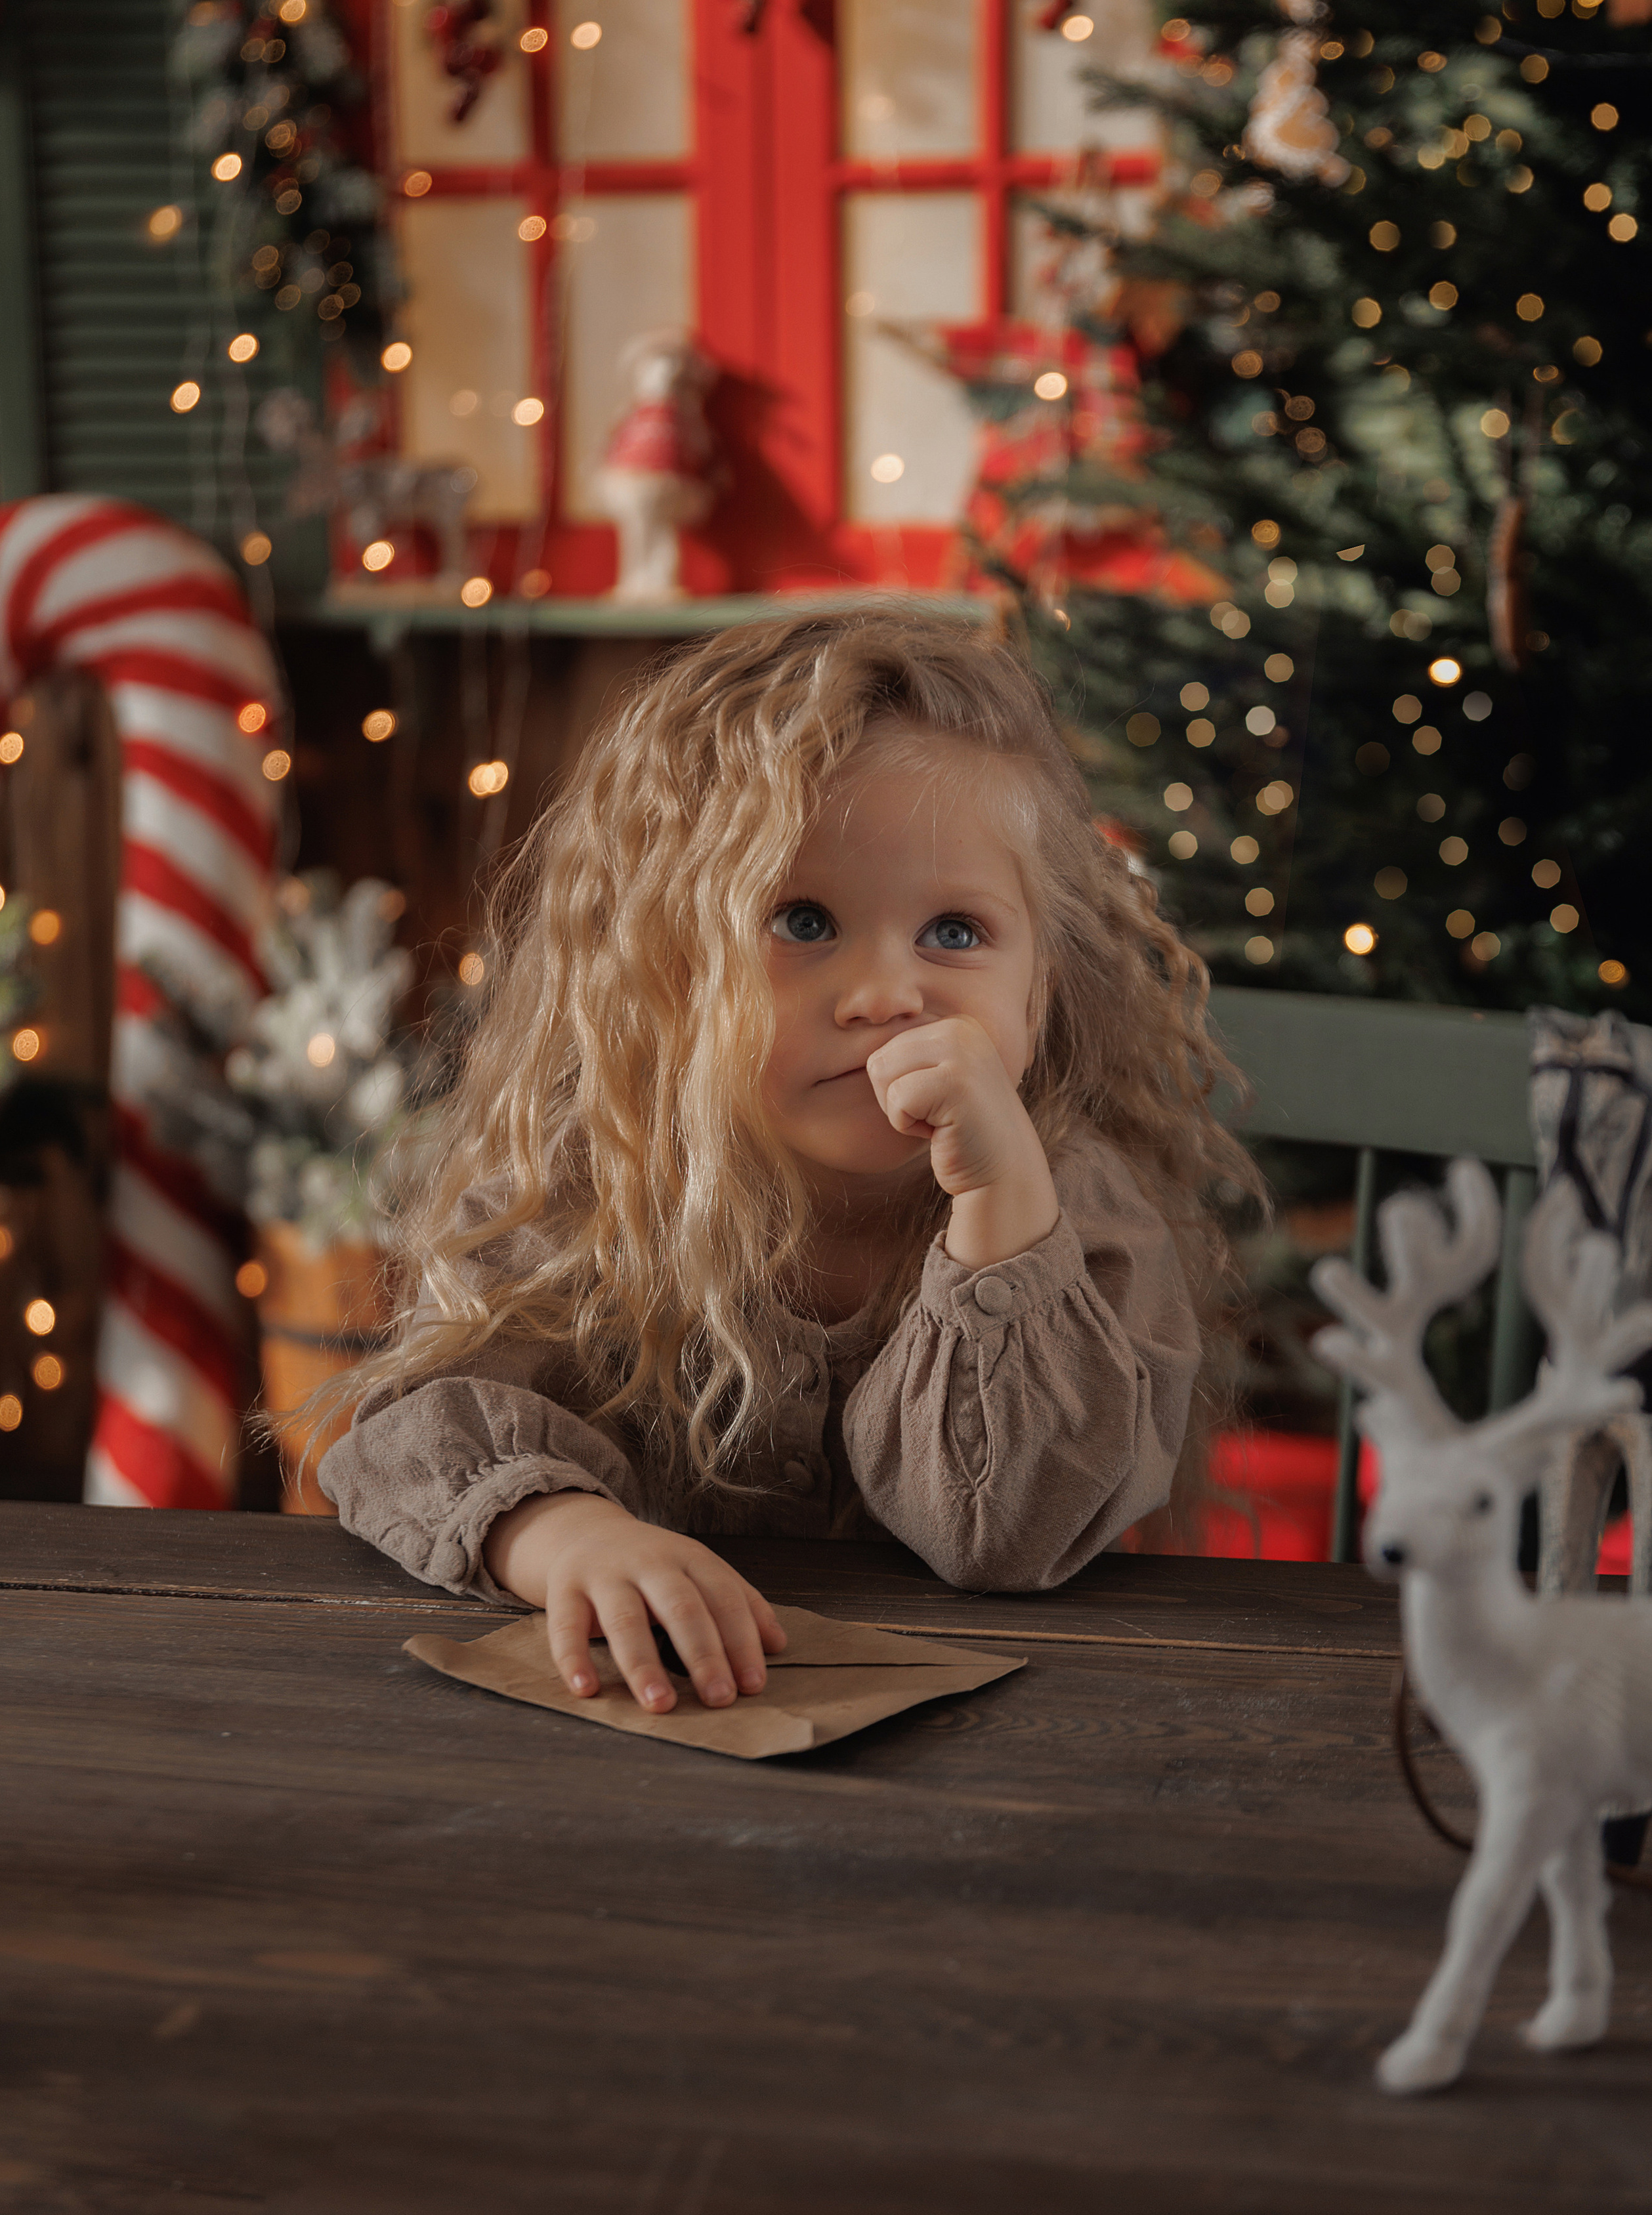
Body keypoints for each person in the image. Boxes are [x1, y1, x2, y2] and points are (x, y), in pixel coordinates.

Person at [318, 605, 1257, 1719]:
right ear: (661, 969)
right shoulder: (597, 1180)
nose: (887, 996)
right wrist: (561, 1535)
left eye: (956, 933)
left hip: (1014, 1744)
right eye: (803, 921)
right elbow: (410, 1431)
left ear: (1040, 987)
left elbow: (1006, 1536)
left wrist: (1003, 1208)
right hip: (634, 1732)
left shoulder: (1075, 1204)